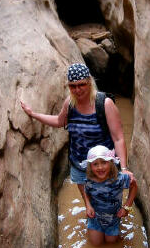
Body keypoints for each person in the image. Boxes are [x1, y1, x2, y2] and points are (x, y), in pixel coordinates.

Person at [20, 63, 134, 205]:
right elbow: (59, 121)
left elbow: (118, 138)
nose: (77, 90)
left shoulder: (105, 104)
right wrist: (34, 114)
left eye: (81, 85)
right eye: (72, 86)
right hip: (79, 164)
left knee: (110, 203)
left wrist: (123, 168)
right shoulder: (70, 104)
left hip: (103, 165)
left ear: (90, 82)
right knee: (90, 203)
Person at [80, 145, 138, 246]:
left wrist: (127, 207)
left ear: (111, 163)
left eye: (104, 162)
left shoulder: (119, 179)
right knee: (96, 243)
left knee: (111, 242)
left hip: (113, 218)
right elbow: (86, 191)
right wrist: (88, 206)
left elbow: (134, 186)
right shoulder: (90, 180)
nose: (100, 167)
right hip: (96, 218)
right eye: (95, 164)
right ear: (90, 167)